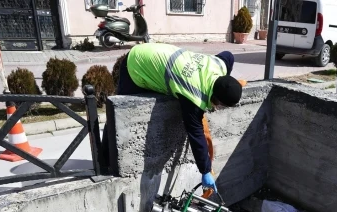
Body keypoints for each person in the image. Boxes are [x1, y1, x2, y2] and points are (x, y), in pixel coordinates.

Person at [102, 43, 244, 193]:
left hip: (156, 51)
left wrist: (228, 86)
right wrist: (205, 171)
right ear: (216, 98)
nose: (219, 109)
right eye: (221, 105)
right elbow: (196, 134)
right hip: (136, 63)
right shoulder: (194, 95)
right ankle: (104, 161)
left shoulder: (219, 66)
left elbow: (229, 55)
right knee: (118, 114)